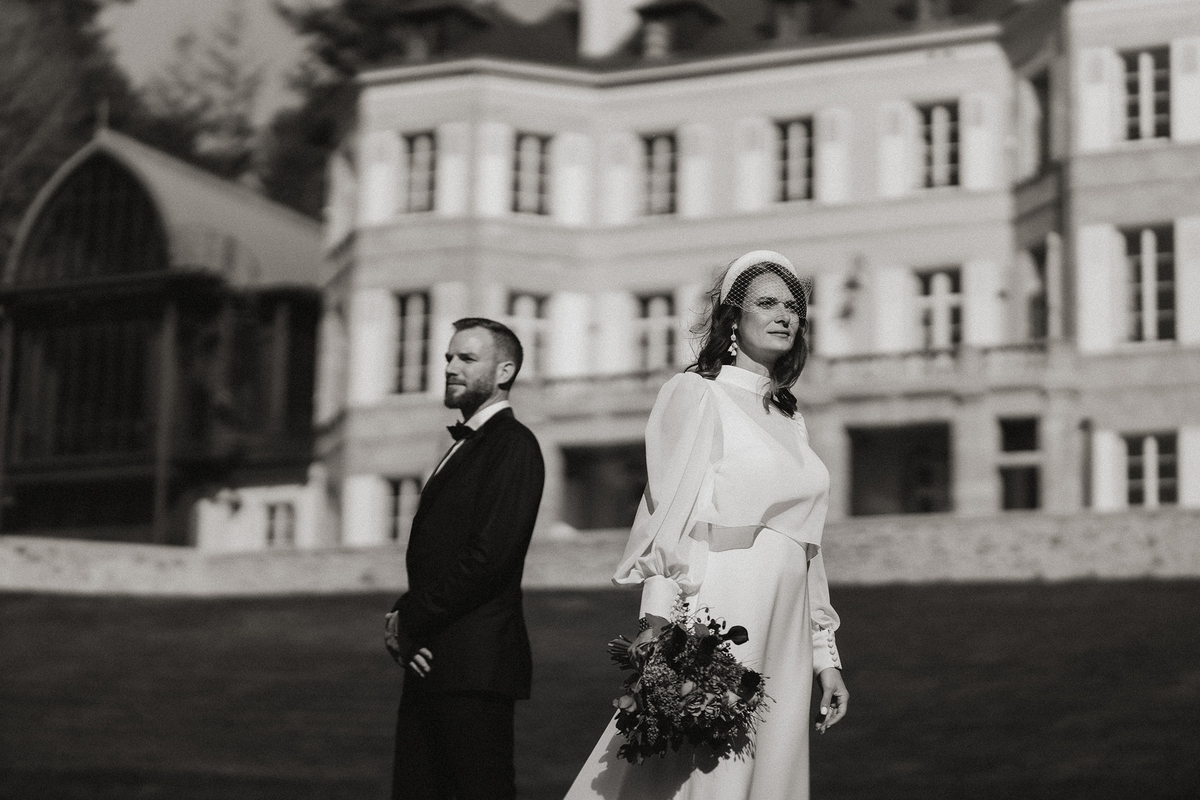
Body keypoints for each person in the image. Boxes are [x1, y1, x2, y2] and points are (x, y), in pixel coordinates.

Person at [564, 251, 849, 800]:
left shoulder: (792, 416)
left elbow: (807, 546)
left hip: (787, 626)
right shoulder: (697, 392)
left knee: (772, 773)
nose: (784, 315)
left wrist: (825, 657)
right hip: (724, 610)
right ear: (732, 318)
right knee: (706, 775)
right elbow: (668, 519)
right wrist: (657, 634)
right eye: (767, 303)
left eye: (793, 306)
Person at [384, 317, 545, 800]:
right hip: (432, 659)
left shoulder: (514, 445)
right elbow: (441, 555)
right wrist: (408, 621)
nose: (450, 367)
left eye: (467, 358)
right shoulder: (463, 445)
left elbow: (488, 557)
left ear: (504, 372)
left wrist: (411, 618)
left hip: (475, 667)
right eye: (449, 357)